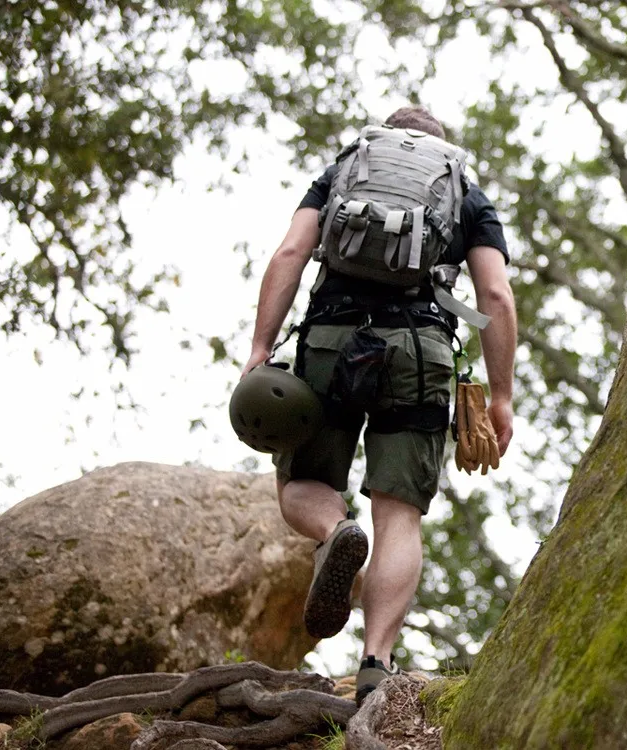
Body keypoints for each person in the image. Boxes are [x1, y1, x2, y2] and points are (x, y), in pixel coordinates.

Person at [241, 105, 517, 705]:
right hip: (419, 351)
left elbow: (290, 255)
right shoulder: (464, 192)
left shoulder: (343, 170)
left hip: (331, 341)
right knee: (399, 513)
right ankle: (376, 662)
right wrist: (500, 395)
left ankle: (335, 530)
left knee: (301, 484)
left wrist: (262, 347)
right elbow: (493, 293)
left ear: (385, 138)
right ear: (438, 148)